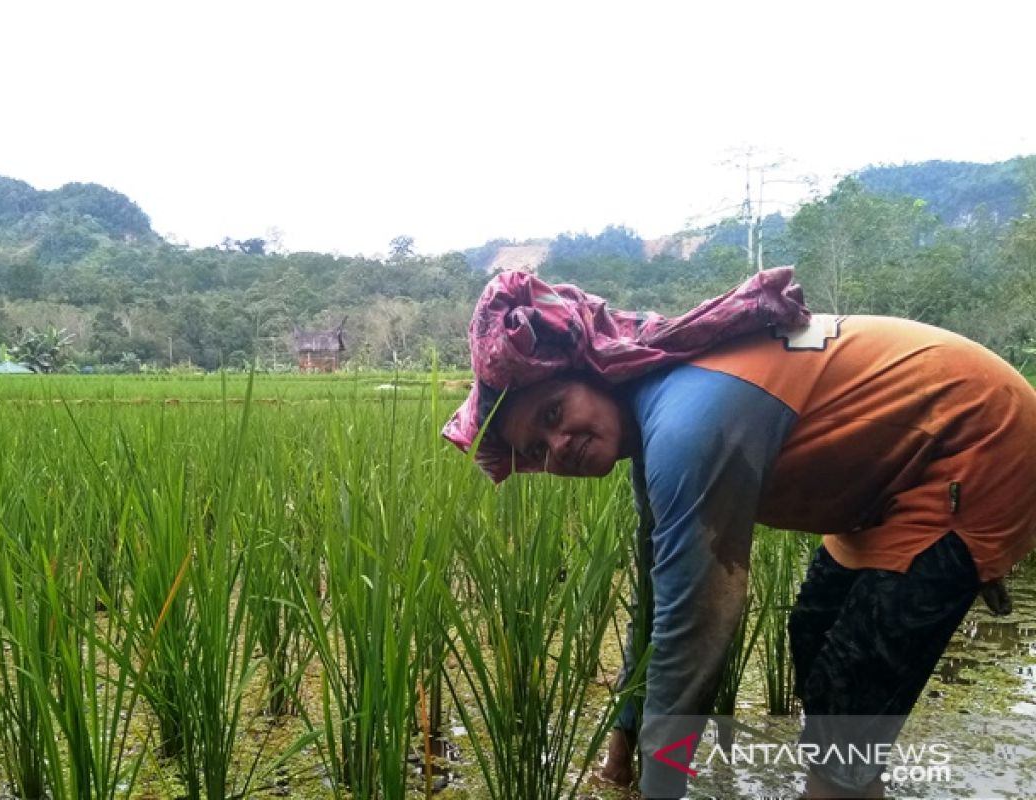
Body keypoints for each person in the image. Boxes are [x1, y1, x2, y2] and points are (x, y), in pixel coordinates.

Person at [443, 268, 1036, 799]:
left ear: (592, 371)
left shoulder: (683, 427)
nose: (559, 446)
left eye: (553, 413)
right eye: (536, 450)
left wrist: (660, 786)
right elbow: (657, 602)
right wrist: (619, 760)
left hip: (977, 443)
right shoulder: (659, 424)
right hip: (892, 483)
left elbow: (696, 623)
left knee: (849, 698)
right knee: (814, 637)